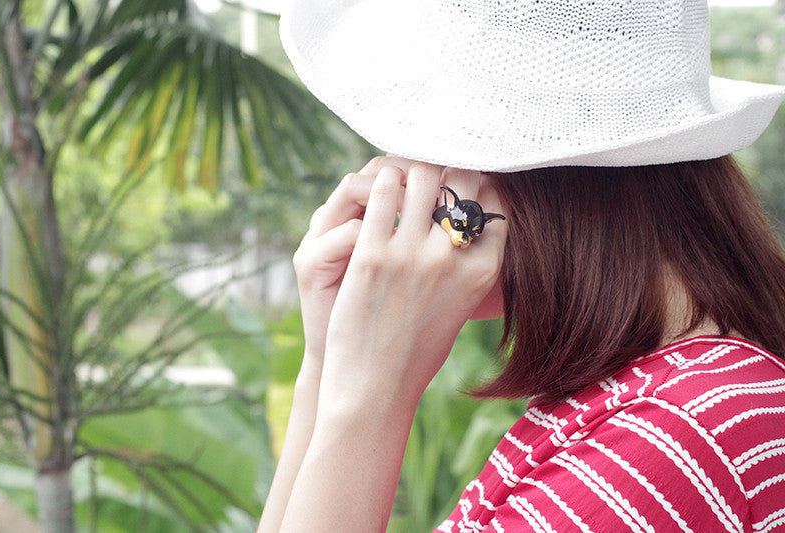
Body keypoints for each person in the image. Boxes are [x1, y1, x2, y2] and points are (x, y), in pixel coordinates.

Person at [260, 0, 785, 531]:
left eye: (420, 137)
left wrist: (373, 392)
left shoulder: (677, 440)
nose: (397, 172)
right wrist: (331, 362)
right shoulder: (650, 404)